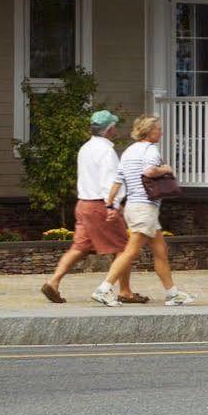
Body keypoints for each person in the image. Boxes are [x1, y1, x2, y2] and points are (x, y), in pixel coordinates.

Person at [40, 110, 140, 305]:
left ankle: (53, 282)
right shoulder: (106, 151)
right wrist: (112, 206)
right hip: (100, 205)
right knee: (123, 247)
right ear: (109, 129)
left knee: (80, 246)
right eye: (114, 126)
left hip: (83, 204)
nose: (116, 129)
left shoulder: (85, 148)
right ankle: (125, 291)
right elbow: (109, 181)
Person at [96, 114, 194, 308]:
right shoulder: (151, 150)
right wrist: (166, 169)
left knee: (161, 251)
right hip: (145, 208)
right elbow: (149, 171)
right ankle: (104, 289)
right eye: (159, 129)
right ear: (149, 131)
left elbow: (118, 180)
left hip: (133, 206)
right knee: (130, 252)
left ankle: (173, 294)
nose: (162, 132)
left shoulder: (129, 151)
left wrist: (110, 204)